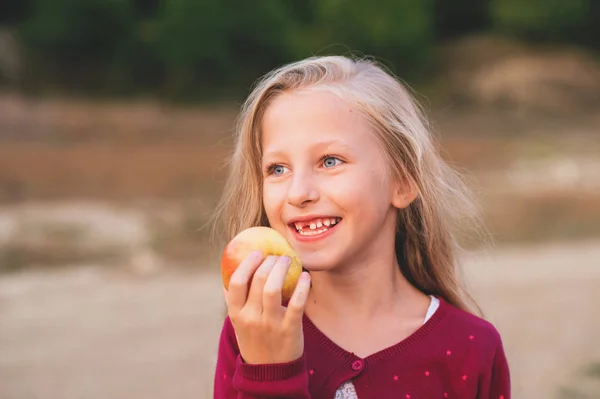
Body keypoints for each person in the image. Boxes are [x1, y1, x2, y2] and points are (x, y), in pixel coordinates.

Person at [211, 55, 511, 399]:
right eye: (277, 169)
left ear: (403, 181)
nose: (298, 193)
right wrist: (270, 372)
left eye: (330, 161)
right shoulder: (254, 331)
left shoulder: (471, 349)